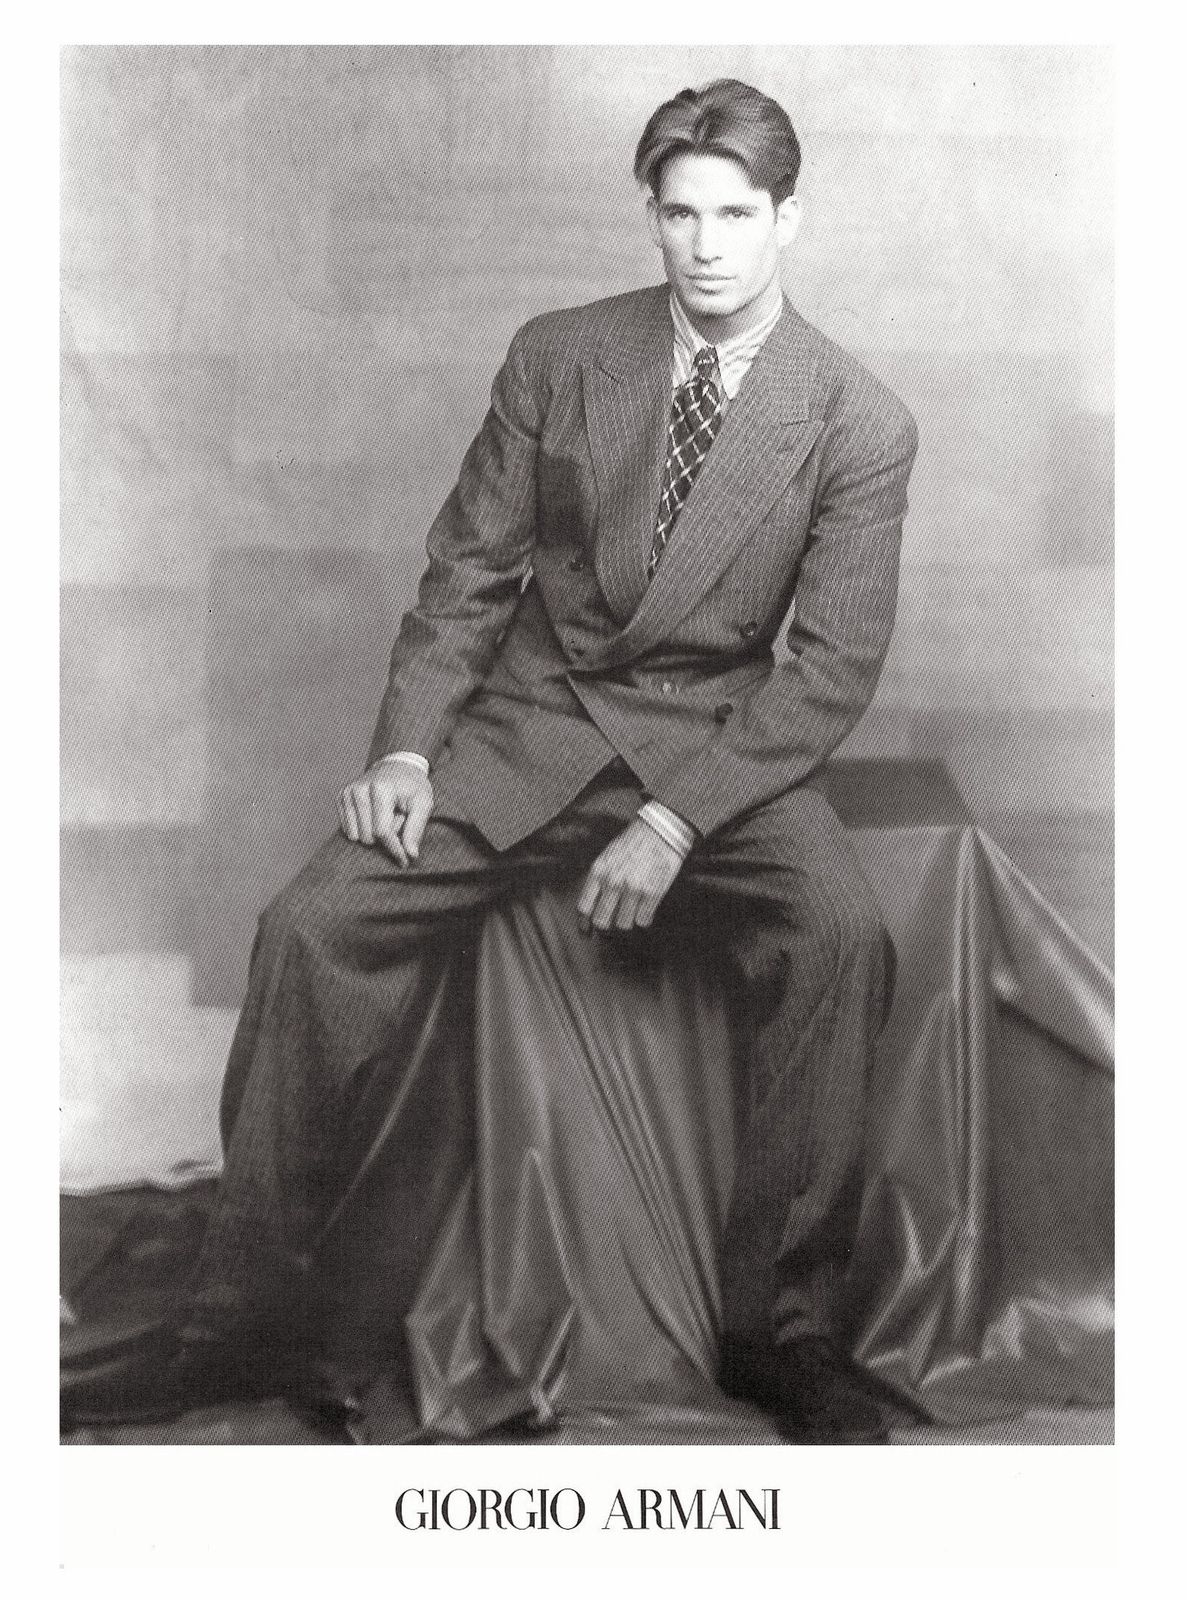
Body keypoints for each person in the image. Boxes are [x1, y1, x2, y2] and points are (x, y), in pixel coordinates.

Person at [64, 78, 918, 1444]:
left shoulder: (858, 421)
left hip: (716, 752)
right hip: (534, 720)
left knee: (841, 935)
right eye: (680, 213)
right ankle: (242, 1325)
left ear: (789, 220)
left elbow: (828, 670)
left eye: (736, 216)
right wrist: (405, 747)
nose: (706, 245)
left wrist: (679, 823)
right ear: (651, 214)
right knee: (311, 925)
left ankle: (784, 1334)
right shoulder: (560, 353)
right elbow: (470, 568)